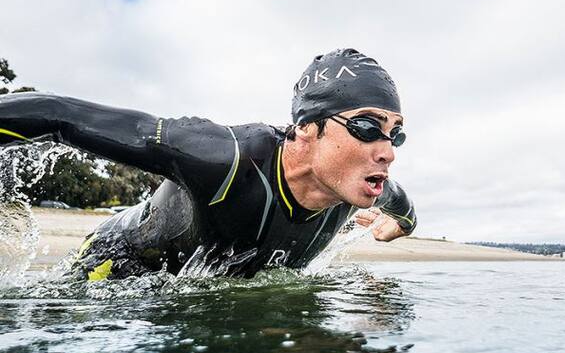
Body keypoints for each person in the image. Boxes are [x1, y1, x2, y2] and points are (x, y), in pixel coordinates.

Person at [0, 48, 416, 279]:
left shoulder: (362, 187)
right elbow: (58, 114)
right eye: (367, 126)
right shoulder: (224, 156)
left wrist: (397, 227)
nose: (388, 151)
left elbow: (405, 211)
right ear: (307, 127)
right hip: (120, 262)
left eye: (395, 133)